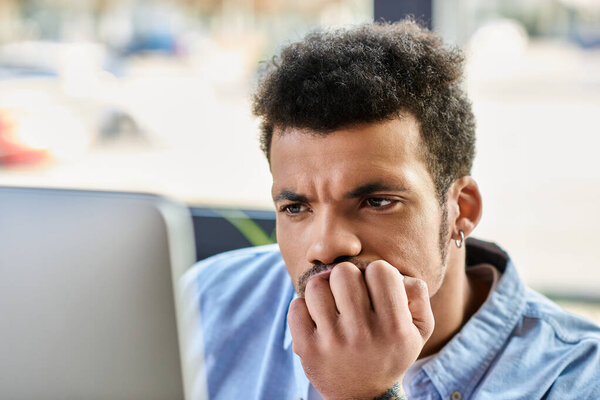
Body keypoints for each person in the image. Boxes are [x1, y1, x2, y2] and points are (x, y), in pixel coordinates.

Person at [181, 20, 600, 400]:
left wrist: (364, 394)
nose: (326, 245)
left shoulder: (577, 378)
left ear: (461, 209)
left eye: (377, 202)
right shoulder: (208, 302)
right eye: (296, 207)